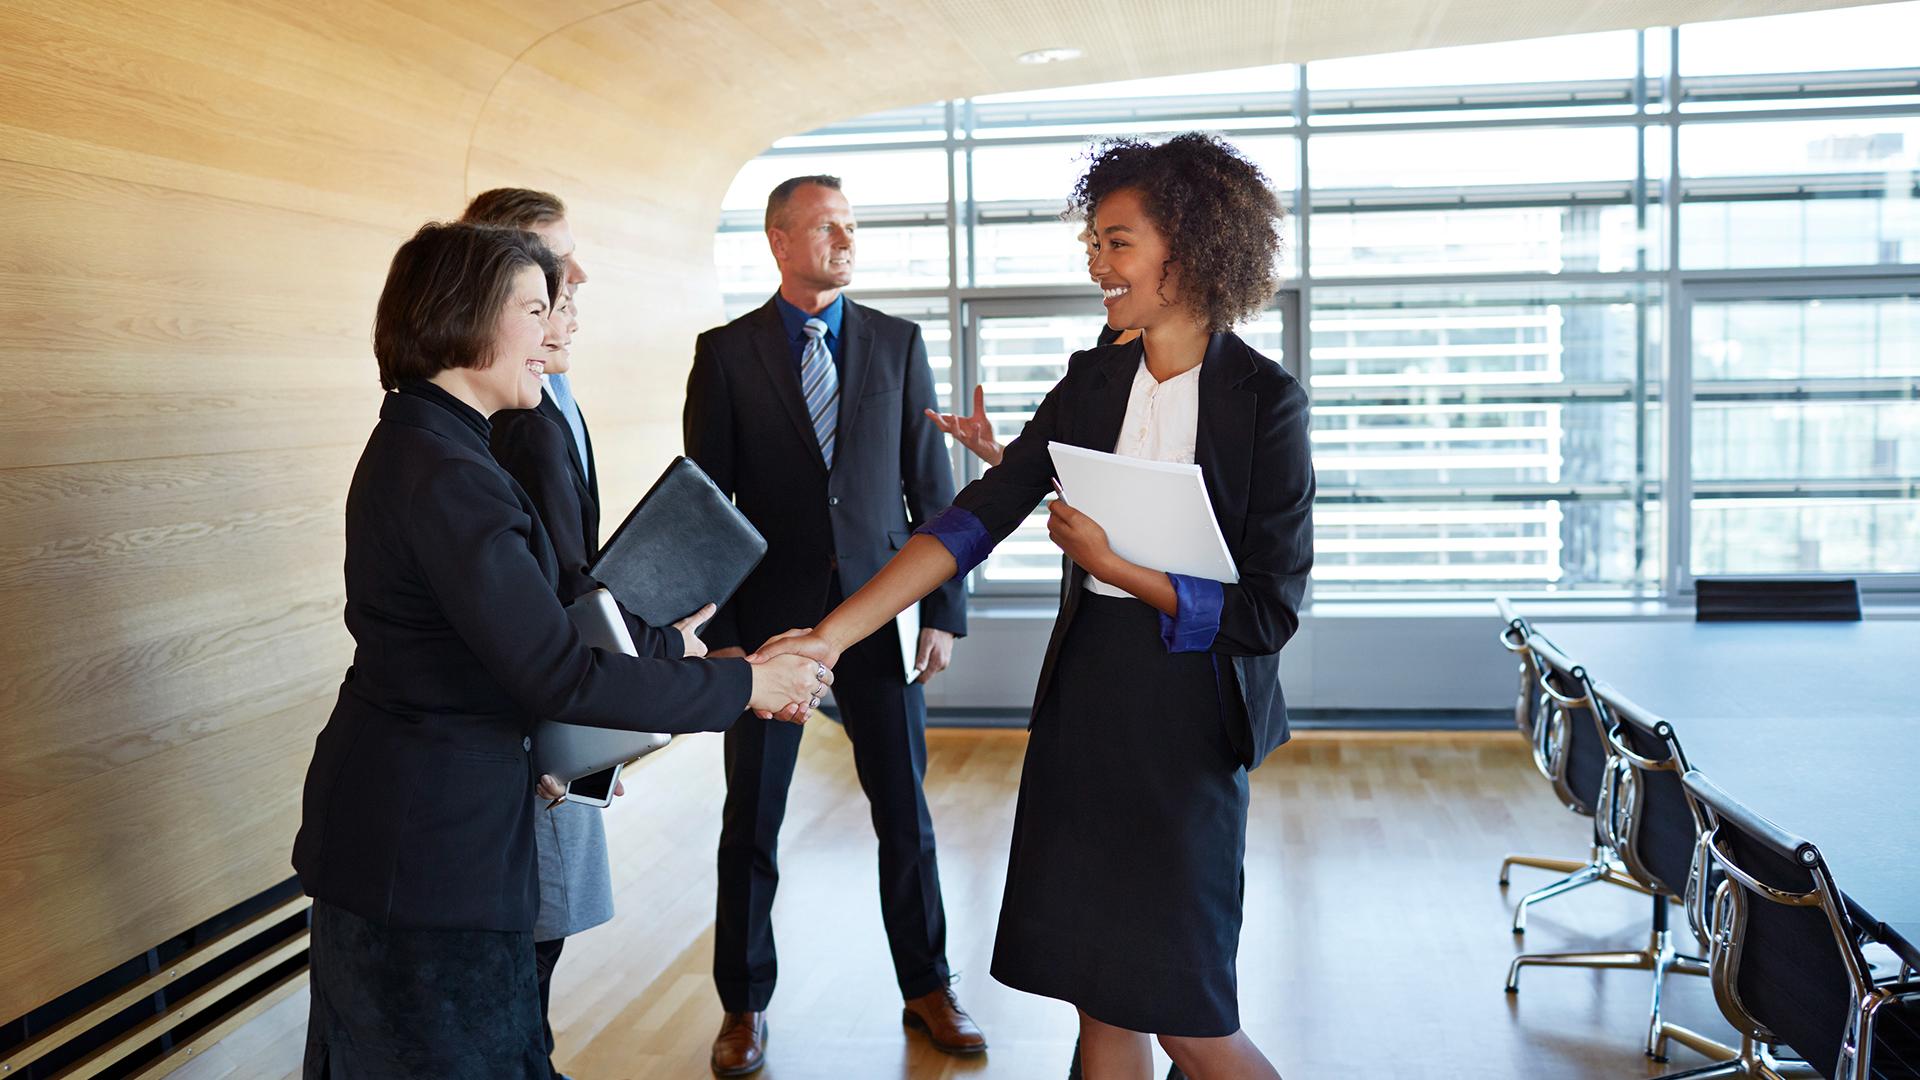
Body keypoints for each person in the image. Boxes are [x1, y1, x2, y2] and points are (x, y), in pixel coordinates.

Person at [751, 134, 1314, 1080]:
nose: (1097, 263)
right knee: (1100, 1003)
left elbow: (1266, 614)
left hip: (1187, 722)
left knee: (1188, 1015)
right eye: (1094, 242)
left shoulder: (1267, 403)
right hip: (1088, 701)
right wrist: (831, 636)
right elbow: (972, 521)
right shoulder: (1092, 380)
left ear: (1188, 246)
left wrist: (1115, 563)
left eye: (1117, 243)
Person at [292, 221, 826, 1079]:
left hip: (420, 835)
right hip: (426, 852)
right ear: (464, 317)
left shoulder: (435, 446)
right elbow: (557, 669)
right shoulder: (447, 472)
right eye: (536, 310)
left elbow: (526, 636)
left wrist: (692, 664)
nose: (554, 334)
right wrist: (742, 686)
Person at [683, 174, 980, 1075]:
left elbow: (932, 490)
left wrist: (942, 610)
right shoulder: (726, 353)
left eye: (852, 225)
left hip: (881, 618)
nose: (846, 240)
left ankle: (928, 986)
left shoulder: (897, 342)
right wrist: (726, 636)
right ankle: (744, 1006)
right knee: (754, 824)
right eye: (827, 227)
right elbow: (705, 506)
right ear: (779, 240)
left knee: (905, 812)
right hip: (768, 633)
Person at [461, 189, 696, 1080]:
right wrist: (582, 739)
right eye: (558, 262)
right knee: (530, 938)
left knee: (543, 942)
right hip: (542, 717)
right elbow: (547, 594)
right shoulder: (514, 415)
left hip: (572, 702)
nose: (579, 277)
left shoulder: (554, 393)